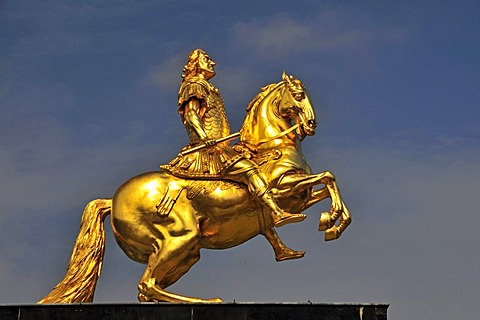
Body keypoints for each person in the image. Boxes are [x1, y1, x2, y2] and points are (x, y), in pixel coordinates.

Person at [161, 48, 305, 227]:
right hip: (208, 151)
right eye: (206, 59)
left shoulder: (208, 88)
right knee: (249, 170)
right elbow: (191, 114)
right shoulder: (194, 86)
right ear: (196, 65)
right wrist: (205, 138)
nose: (212, 62)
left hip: (219, 148)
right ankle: (277, 213)